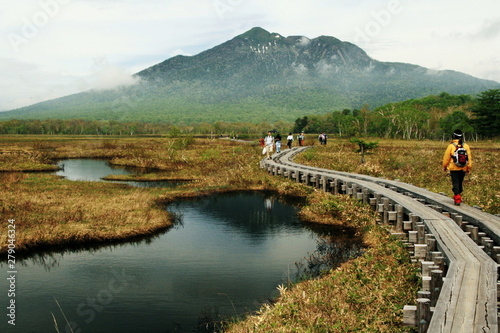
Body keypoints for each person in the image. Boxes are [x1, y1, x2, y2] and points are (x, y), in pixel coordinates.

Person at [442, 129, 472, 205]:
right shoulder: (466, 146)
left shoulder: (451, 146)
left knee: (455, 182)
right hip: (463, 168)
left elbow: (446, 158)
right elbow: (469, 158)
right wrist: (469, 168)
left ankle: (457, 198)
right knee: (460, 182)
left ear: (453, 136)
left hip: (454, 168)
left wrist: (445, 166)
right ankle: (458, 194)